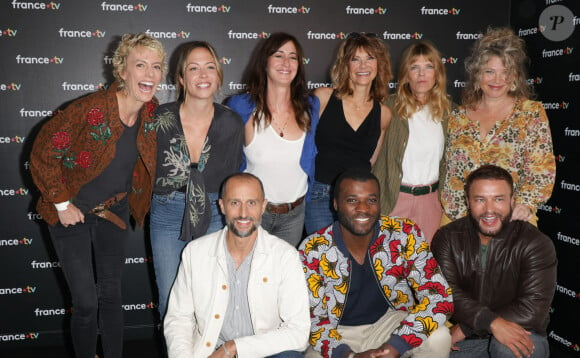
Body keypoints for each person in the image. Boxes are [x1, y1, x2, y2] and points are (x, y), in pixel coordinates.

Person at [30, 33, 166, 358]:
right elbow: (42, 152)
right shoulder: (90, 109)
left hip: (114, 211)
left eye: (157, 67)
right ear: (123, 70)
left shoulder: (152, 112)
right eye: (140, 65)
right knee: (87, 303)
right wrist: (61, 203)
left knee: (111, 296)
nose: (149, 74)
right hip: (71, 212)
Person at [299, 169, 453, 358]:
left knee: (439, 337)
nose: (363, 208)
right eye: (352, 200)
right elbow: (313, 320)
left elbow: (439, 295)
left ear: (380, 203)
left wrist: (398, 344)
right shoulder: (313, 249)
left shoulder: (403, 233)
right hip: (338, 333)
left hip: (390, 324)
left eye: (371, 200)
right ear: (336, 204)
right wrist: (348, 356)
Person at [164, 173, 310, 358]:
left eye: (251, 203)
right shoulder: (196, 252)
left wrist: (235, 348)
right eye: (234, 203)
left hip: (263, 351)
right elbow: (179, 319)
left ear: (263, 206)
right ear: (222, 206)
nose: (243, 213)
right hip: (210, 352)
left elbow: (299, 332)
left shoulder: (285, 256)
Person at [150, 41, 244, 319]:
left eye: (209, 67)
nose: (203, 75)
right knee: (170, 298)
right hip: (167, 212)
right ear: (181, 78)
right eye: (194, 68)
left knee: (211, 299)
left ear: (218, 76)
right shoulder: (159, 118)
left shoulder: (231, 122)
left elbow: (234, 176)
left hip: (214, 215)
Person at [431, 164, 557, 358]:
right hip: (470, 342)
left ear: (512, 201)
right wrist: (490, 323)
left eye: (498, 199)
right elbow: (446, 293)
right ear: (468, 201)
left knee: (508, 348)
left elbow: (531, 309)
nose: (489, 210)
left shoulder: (535, 243)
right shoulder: (447, 238)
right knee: (430, 349)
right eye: (480, 200)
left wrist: (466, 328)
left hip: (520, 331)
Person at [441, 27, 556, 226]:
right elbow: (451, 173)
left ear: (515, 78)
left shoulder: (530, 113)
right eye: (489, 72)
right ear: (477, 75)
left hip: (511, 218)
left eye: (505, 73)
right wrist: (460, 213)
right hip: (459, 219)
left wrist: (525, 204)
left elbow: (541, 169)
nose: (497, 80)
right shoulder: (458, 116)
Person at [226, 32, 320, 247]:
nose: (286, 62)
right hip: (252, 213)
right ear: (265, 62)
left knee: (278, 278)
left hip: (294, 215)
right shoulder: (240, 106)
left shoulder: (311, 107)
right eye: (278, 55)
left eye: (293, 57)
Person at [305, 32, 391, 235]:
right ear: (346, 65)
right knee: (324, 261)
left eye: (370, 58)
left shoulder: (384, 114)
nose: (363, 66)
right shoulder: (323, 98)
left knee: (351, 263)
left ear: (379, 65)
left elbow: (370, 163)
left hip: (358, 201)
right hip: (320, 197)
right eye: (356, 59)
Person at [372, 41, 452, 242]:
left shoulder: (451, 112)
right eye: (414, 67)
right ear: (406, 74)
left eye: (429, 67)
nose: (422, 74)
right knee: (389, 265)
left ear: (437, 73)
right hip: (393, 199)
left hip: (432, 202)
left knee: (426, 267)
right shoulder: (388, 107)